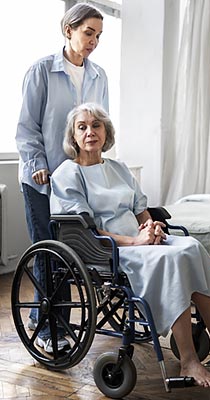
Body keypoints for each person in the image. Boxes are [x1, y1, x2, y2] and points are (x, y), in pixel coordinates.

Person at [50, 103, 210, 388]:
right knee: (170, 261)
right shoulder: (68, 174)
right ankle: (189, 359)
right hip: (108, 248)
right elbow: (85, 228)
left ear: (106, 132)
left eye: (96, 125)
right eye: (82, 127)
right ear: (73, 137)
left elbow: (141, 208)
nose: (90, 132)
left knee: (191, 247)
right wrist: (135, 240)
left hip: (139, 239)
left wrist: (149, 226)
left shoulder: (118, 167)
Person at [15, 3, 109, 354]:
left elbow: (101, 124)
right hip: (42, 179)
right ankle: (50, 327)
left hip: (78, 180)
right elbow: (27, 129)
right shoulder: (41, 71)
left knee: (74, 253)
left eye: (99, 35)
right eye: (89, 33)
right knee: (49, 253)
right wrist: (37, 162)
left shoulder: (99, 75)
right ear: (68, 30)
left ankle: (52, 317)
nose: (94, 41)